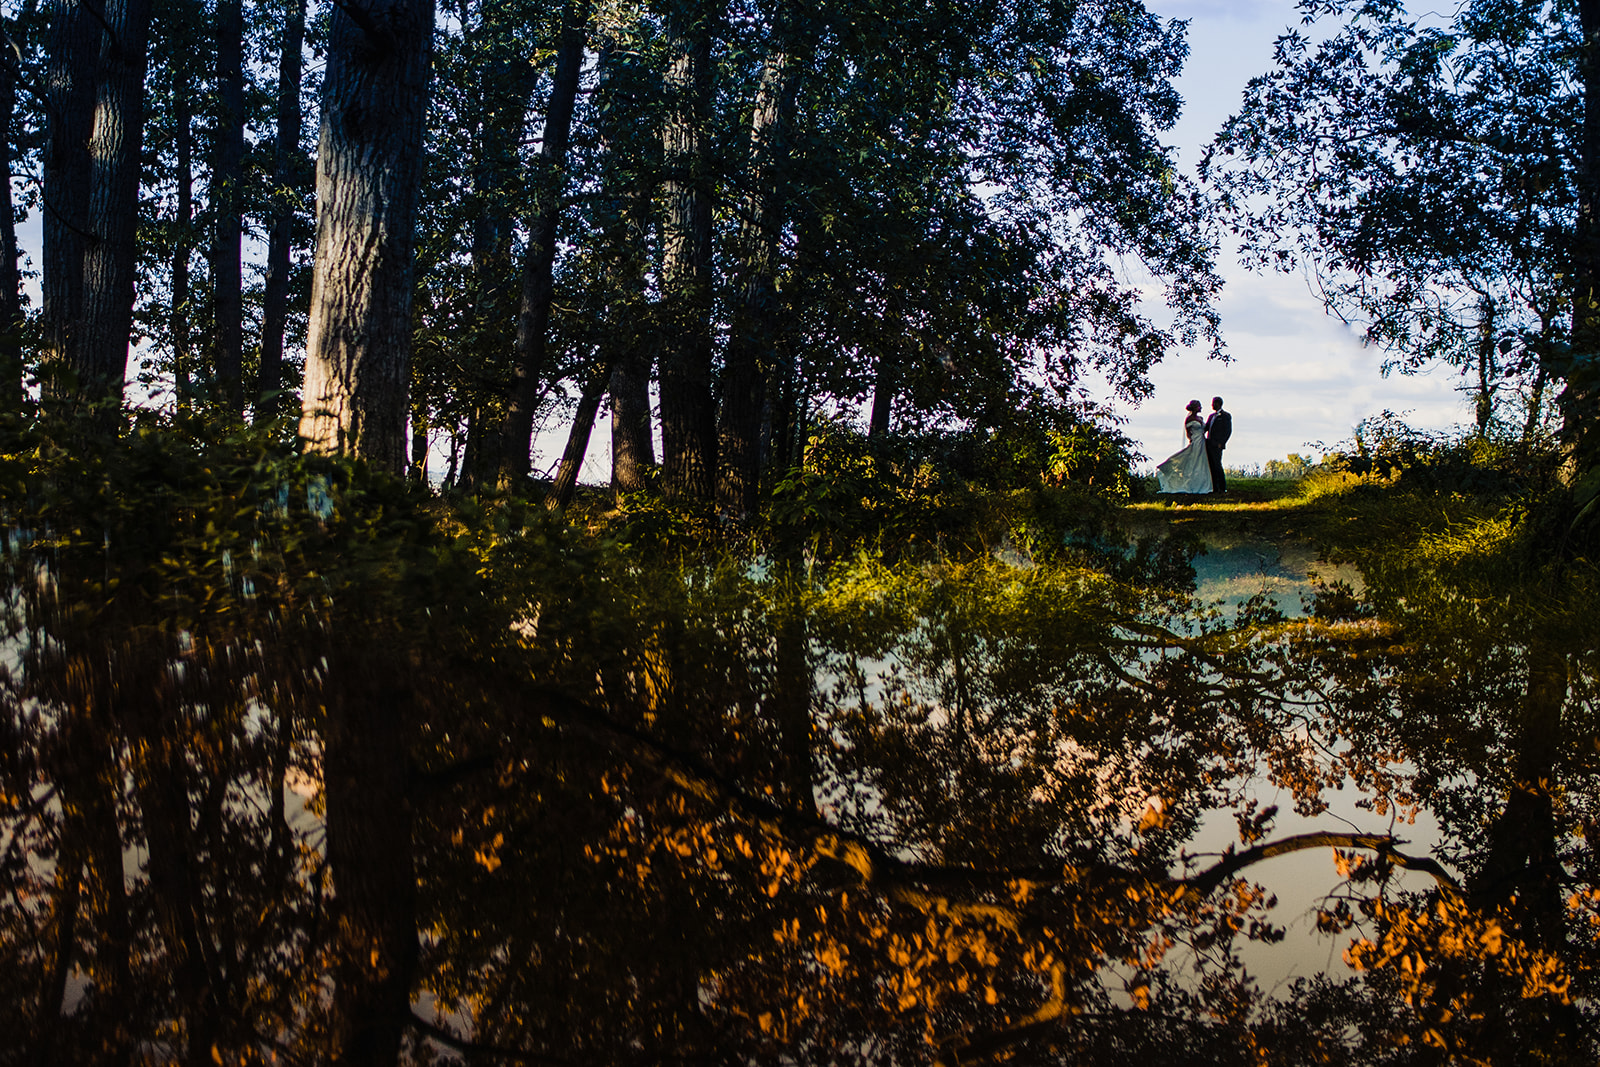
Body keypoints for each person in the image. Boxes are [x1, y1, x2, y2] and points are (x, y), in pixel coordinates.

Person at [1156, 400, 1213, 495]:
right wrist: (1192, 439)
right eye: (1199, 406)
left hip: (1202, 441)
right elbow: (1188, 432)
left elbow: (1205, 428)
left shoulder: (1200, 418)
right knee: (1194, 461)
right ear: (1195, 407)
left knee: (1202, 462)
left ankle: (1202, 483)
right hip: (1196, 441)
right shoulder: (1189, 419)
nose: (1200, 408)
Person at [1204, 396, 1232, 495]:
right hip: (1209, 444)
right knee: (1211, 465)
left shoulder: (1225, 416)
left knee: (1217, 465)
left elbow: (1228, 431)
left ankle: (1222, 487)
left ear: (1218, 403)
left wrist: (1222, 442)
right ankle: (1214, 487)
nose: (1212, 405)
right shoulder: (1211, 416)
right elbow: (1206, 428)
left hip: (1217, 445)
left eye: (1213, 403)